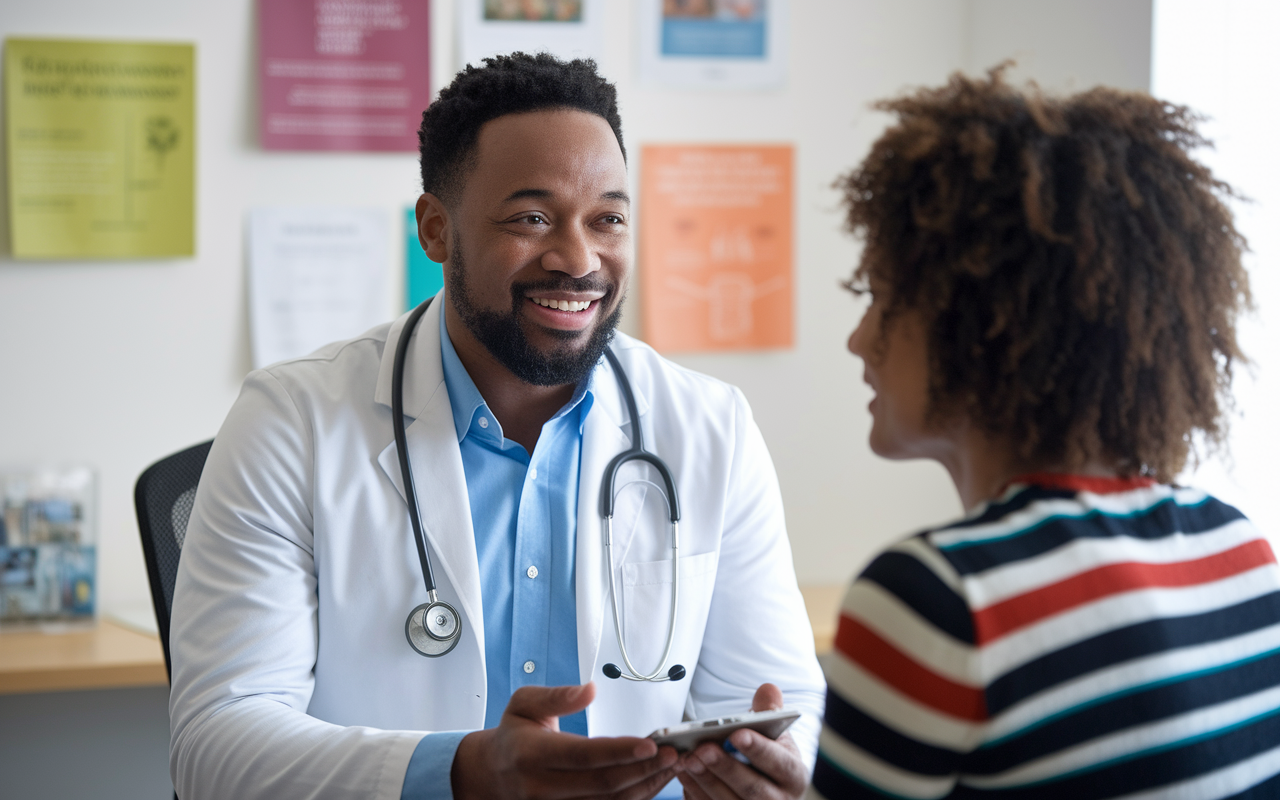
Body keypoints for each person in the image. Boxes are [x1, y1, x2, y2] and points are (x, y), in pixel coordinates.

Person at [167, 52, 824, 800]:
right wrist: (463, 771)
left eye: (608, 218)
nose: (579, 259)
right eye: (532, 218)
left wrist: (769, 772)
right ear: (437, 230)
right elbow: (215, 745)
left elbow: (778, 700)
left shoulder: (711, 428)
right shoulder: (292, 423)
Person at [811, 68, 1280, 799]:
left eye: (883, 297)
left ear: (980, 324)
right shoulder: (1240, 553)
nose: (858, 339)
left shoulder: (937, 600)